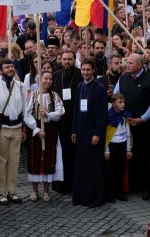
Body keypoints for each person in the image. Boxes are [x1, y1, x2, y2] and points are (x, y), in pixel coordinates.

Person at [114, 53, 150, 199]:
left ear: (140, 65)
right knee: (130, 155)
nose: (126, 65)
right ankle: (132, 184)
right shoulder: (123, 78)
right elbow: (116, 96)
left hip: (146, 125)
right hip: (127, 125)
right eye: (127, 62)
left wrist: (143, 118)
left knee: (147, 156)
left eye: (130, 63)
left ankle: (147, 187)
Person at [0, 58, 26, 206]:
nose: (11, 69)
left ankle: (12, 191)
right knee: (1, 161)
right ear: (0, 70)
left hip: (16, 128)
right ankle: (2, 192)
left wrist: (23, 128)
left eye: (12, 66)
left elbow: (24, 109)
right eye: (7, 67)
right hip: (2, 128)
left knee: (14, 161)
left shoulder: (21, 86)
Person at [71, 58, 108, 207]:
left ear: (93, 70)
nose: (85, 72)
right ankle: (81, 197)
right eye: (83, 70)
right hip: (80, 131)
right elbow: (76, 109)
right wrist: (73, 129)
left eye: (88, 70)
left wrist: (97, 133)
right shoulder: (79, 86)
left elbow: (102, 114)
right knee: (81, 165)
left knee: (93, 166)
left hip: (93, 132)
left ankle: (95, 198)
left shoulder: (99, 88)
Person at [24, 71, 65, 202]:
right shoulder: (33, 95)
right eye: (45, 78)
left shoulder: (54, 95)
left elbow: (60, 112)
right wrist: (36, 129)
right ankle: (34, 190)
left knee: (48, 159)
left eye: (50, 79)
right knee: (34, 159)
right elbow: (27, 114)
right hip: (36, 130)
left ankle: (46, 190)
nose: (48, 81)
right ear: (39, 80)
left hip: (50, 130)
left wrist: (47, 114)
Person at [51, 50, 83, 194]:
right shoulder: (55, 76)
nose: (67, 62)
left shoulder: (80, 75)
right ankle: (60, 184)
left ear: (74, 60)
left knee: (74, 153)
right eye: (64, 59)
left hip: (75, 120)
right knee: (60, 152)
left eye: (70, 59)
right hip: (60, 122)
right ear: (61, 60)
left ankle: (74, 183)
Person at [105, 93, 132, 203]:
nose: (123, 104)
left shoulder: (125, 115)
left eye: (124, 102)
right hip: (112, 145)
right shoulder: (109, 116)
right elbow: (106, 135)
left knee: (121, 169)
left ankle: (119, 191)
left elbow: (128, 133)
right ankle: (110, 193)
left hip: (122, 144)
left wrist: (128, 149)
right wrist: (106, 150)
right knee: (111, 170)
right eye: (120, 102)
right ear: (113, 104)